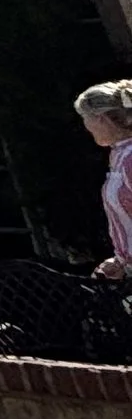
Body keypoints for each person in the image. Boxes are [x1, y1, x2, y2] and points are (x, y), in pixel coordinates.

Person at [78, 79, 132, 281]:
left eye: (85, 118)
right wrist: (121, 261)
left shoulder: (130, 157)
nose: (85, 126)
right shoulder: (119, 154)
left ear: (100, 119)